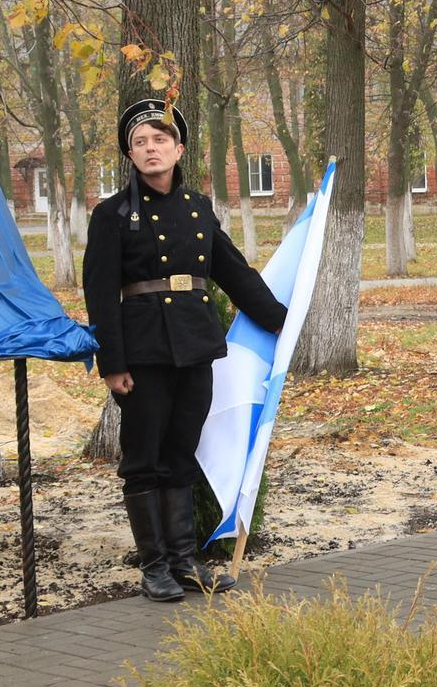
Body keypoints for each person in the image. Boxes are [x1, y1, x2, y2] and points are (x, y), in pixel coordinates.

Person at [83, 96, 287, 603]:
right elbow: (99, 292)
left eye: (160, 139)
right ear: (129, 154)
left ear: (178, 148)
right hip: (143, 352)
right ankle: (154, 567)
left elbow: (233, 271)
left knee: (179, 454)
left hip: (195, 346)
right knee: (143, 459)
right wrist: (112, 363)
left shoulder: (197, 207)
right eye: (140, 142)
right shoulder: (112, 215)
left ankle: (184, 561)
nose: (151, 149)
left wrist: (284, 321)